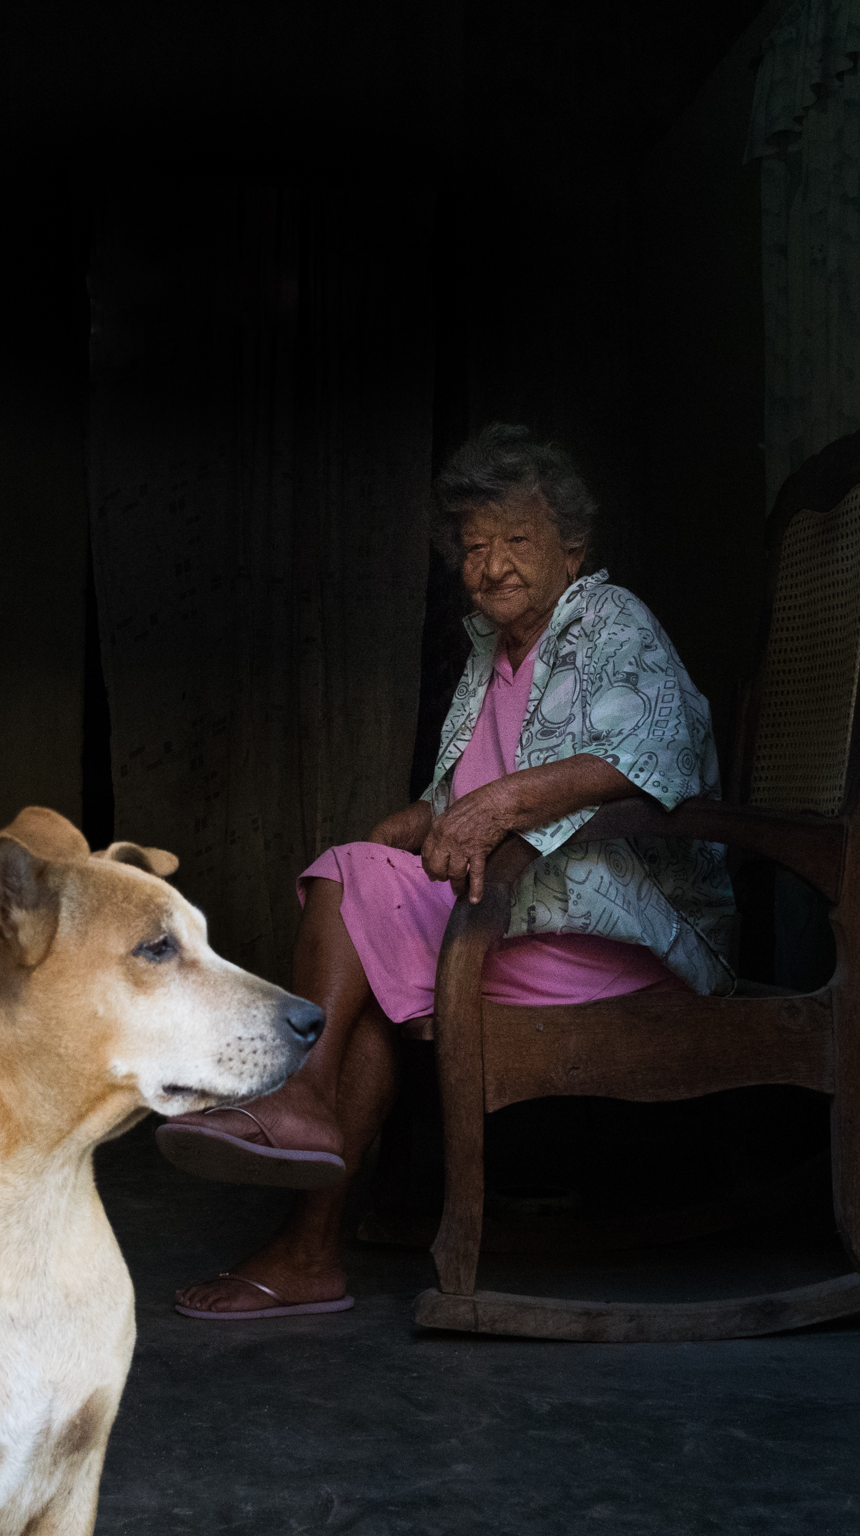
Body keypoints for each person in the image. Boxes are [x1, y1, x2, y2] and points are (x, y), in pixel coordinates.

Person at [158, 423, 737, 1319]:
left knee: (347, 881)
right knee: (364, 962)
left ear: (571, 547)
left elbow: (655, 752)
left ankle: (300, 1111)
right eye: (474, 545)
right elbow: (467, 784)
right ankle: (309, 1253)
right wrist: (426, 812)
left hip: (614, 934)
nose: (491, 563)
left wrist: (500, 805)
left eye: (516, 539)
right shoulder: (488, 652)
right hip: (513, 913)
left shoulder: (608, 622)